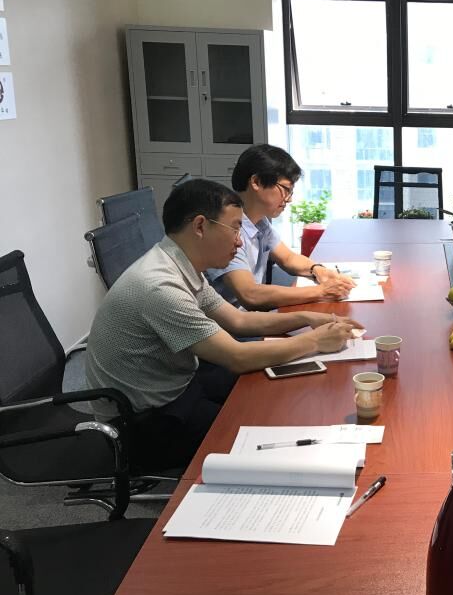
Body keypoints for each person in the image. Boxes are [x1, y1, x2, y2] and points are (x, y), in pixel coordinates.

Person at [85, 179, 362, 470]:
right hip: (144, 423)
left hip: (176, 384)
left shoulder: (178, 263)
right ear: (200, 226)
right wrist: (315, 341)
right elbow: (236, 357)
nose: (240, 241)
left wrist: (306, 318)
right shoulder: (159, 286)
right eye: (235, 229)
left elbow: (238, 320)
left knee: (271, 391)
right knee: (261, 430)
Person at [206, 144, 354, 310]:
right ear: (256, 182)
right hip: (233, 322)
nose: (289, 199)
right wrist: (322, 291)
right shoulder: (225, 229)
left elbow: (288, 258)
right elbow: (249, 294)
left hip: (252, 316)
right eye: (286, 189)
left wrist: (319, 270)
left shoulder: (260, 221)